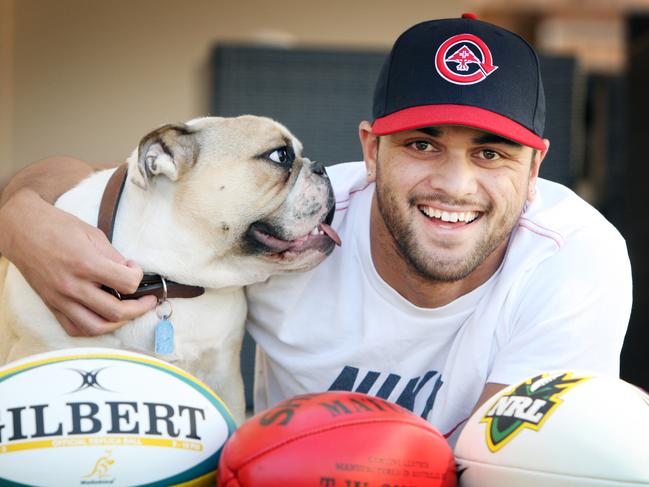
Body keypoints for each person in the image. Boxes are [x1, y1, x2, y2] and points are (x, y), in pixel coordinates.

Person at [0, 14, 632, 445]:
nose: (456, 185)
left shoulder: (574, 259)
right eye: (422, 144)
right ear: (372, 151)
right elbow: (85, 176)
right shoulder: (290, 231)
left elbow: (504, 461)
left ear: (537, 167)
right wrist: (21, 217)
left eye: (492, 153)